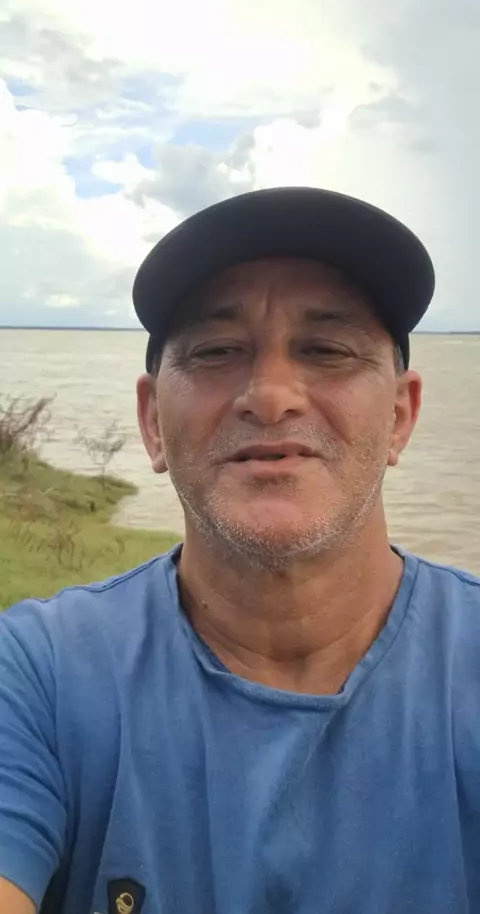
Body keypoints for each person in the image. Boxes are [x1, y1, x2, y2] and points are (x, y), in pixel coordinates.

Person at [0, 186, 478, 914]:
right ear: (152, 423)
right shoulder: (38, 675)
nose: (271, 395)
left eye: (326, 350)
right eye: (217, 352)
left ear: (401, 416)